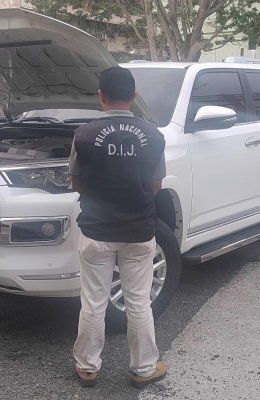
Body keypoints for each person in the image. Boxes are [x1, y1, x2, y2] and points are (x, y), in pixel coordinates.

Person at [70, 67, 167, 389]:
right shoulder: (154, 136)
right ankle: (144, 368)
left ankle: (87, 367)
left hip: (96, 231)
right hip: (138, 231)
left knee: (93, 302)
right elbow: (155, 185)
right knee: (138, 303)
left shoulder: (84, 135)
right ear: (134, 96)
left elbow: (76, 182)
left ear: (100, 95)